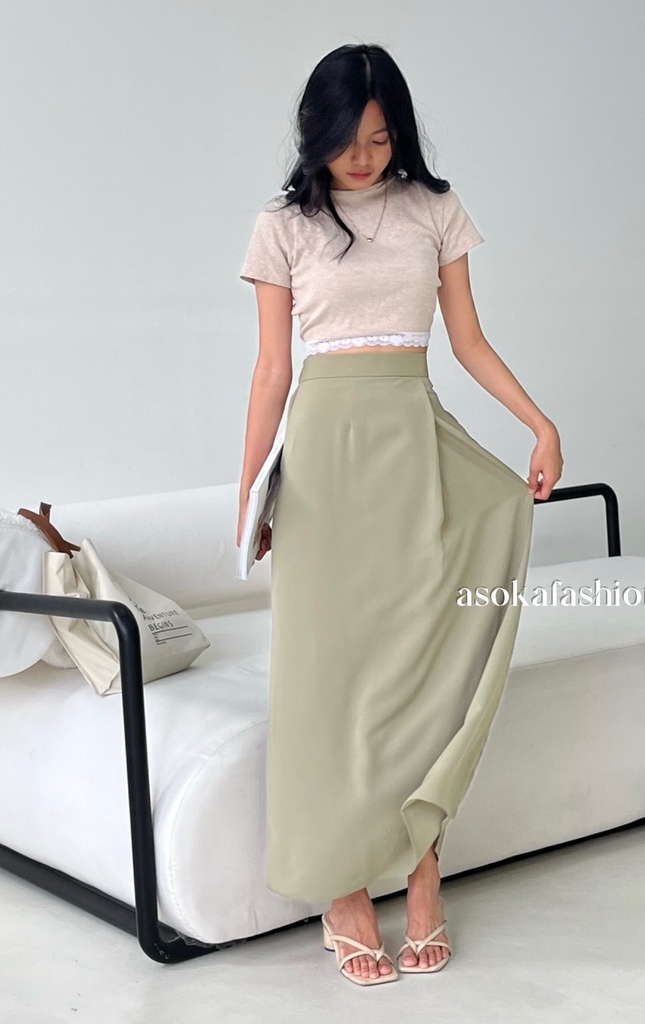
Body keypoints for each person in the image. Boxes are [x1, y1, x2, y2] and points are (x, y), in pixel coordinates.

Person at [236, 43, 563, 986]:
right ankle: (342, 891)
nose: (364, 157)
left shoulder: (434, 210)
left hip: (412, 442)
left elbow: (467, 340)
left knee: (420, 668)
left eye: (380, 139)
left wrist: (540, 424)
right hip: (325, 464)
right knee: (327, 678)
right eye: (348, 139)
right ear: (317, 133)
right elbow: (272, 372)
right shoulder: (282, 225)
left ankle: (422, 872)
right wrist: (251, 493)